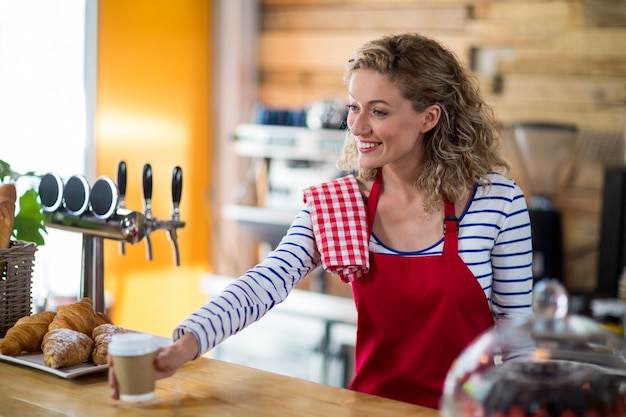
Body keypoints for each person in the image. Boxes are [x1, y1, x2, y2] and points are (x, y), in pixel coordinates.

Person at [109, 32, 534, 409]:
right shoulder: (343, 202)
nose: (358, 126)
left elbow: (515, 339)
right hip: (369, 408)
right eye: (353, 107)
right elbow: (268, 279)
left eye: (379, 111)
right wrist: (184, 344)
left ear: (429, 117)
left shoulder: (496, 202)